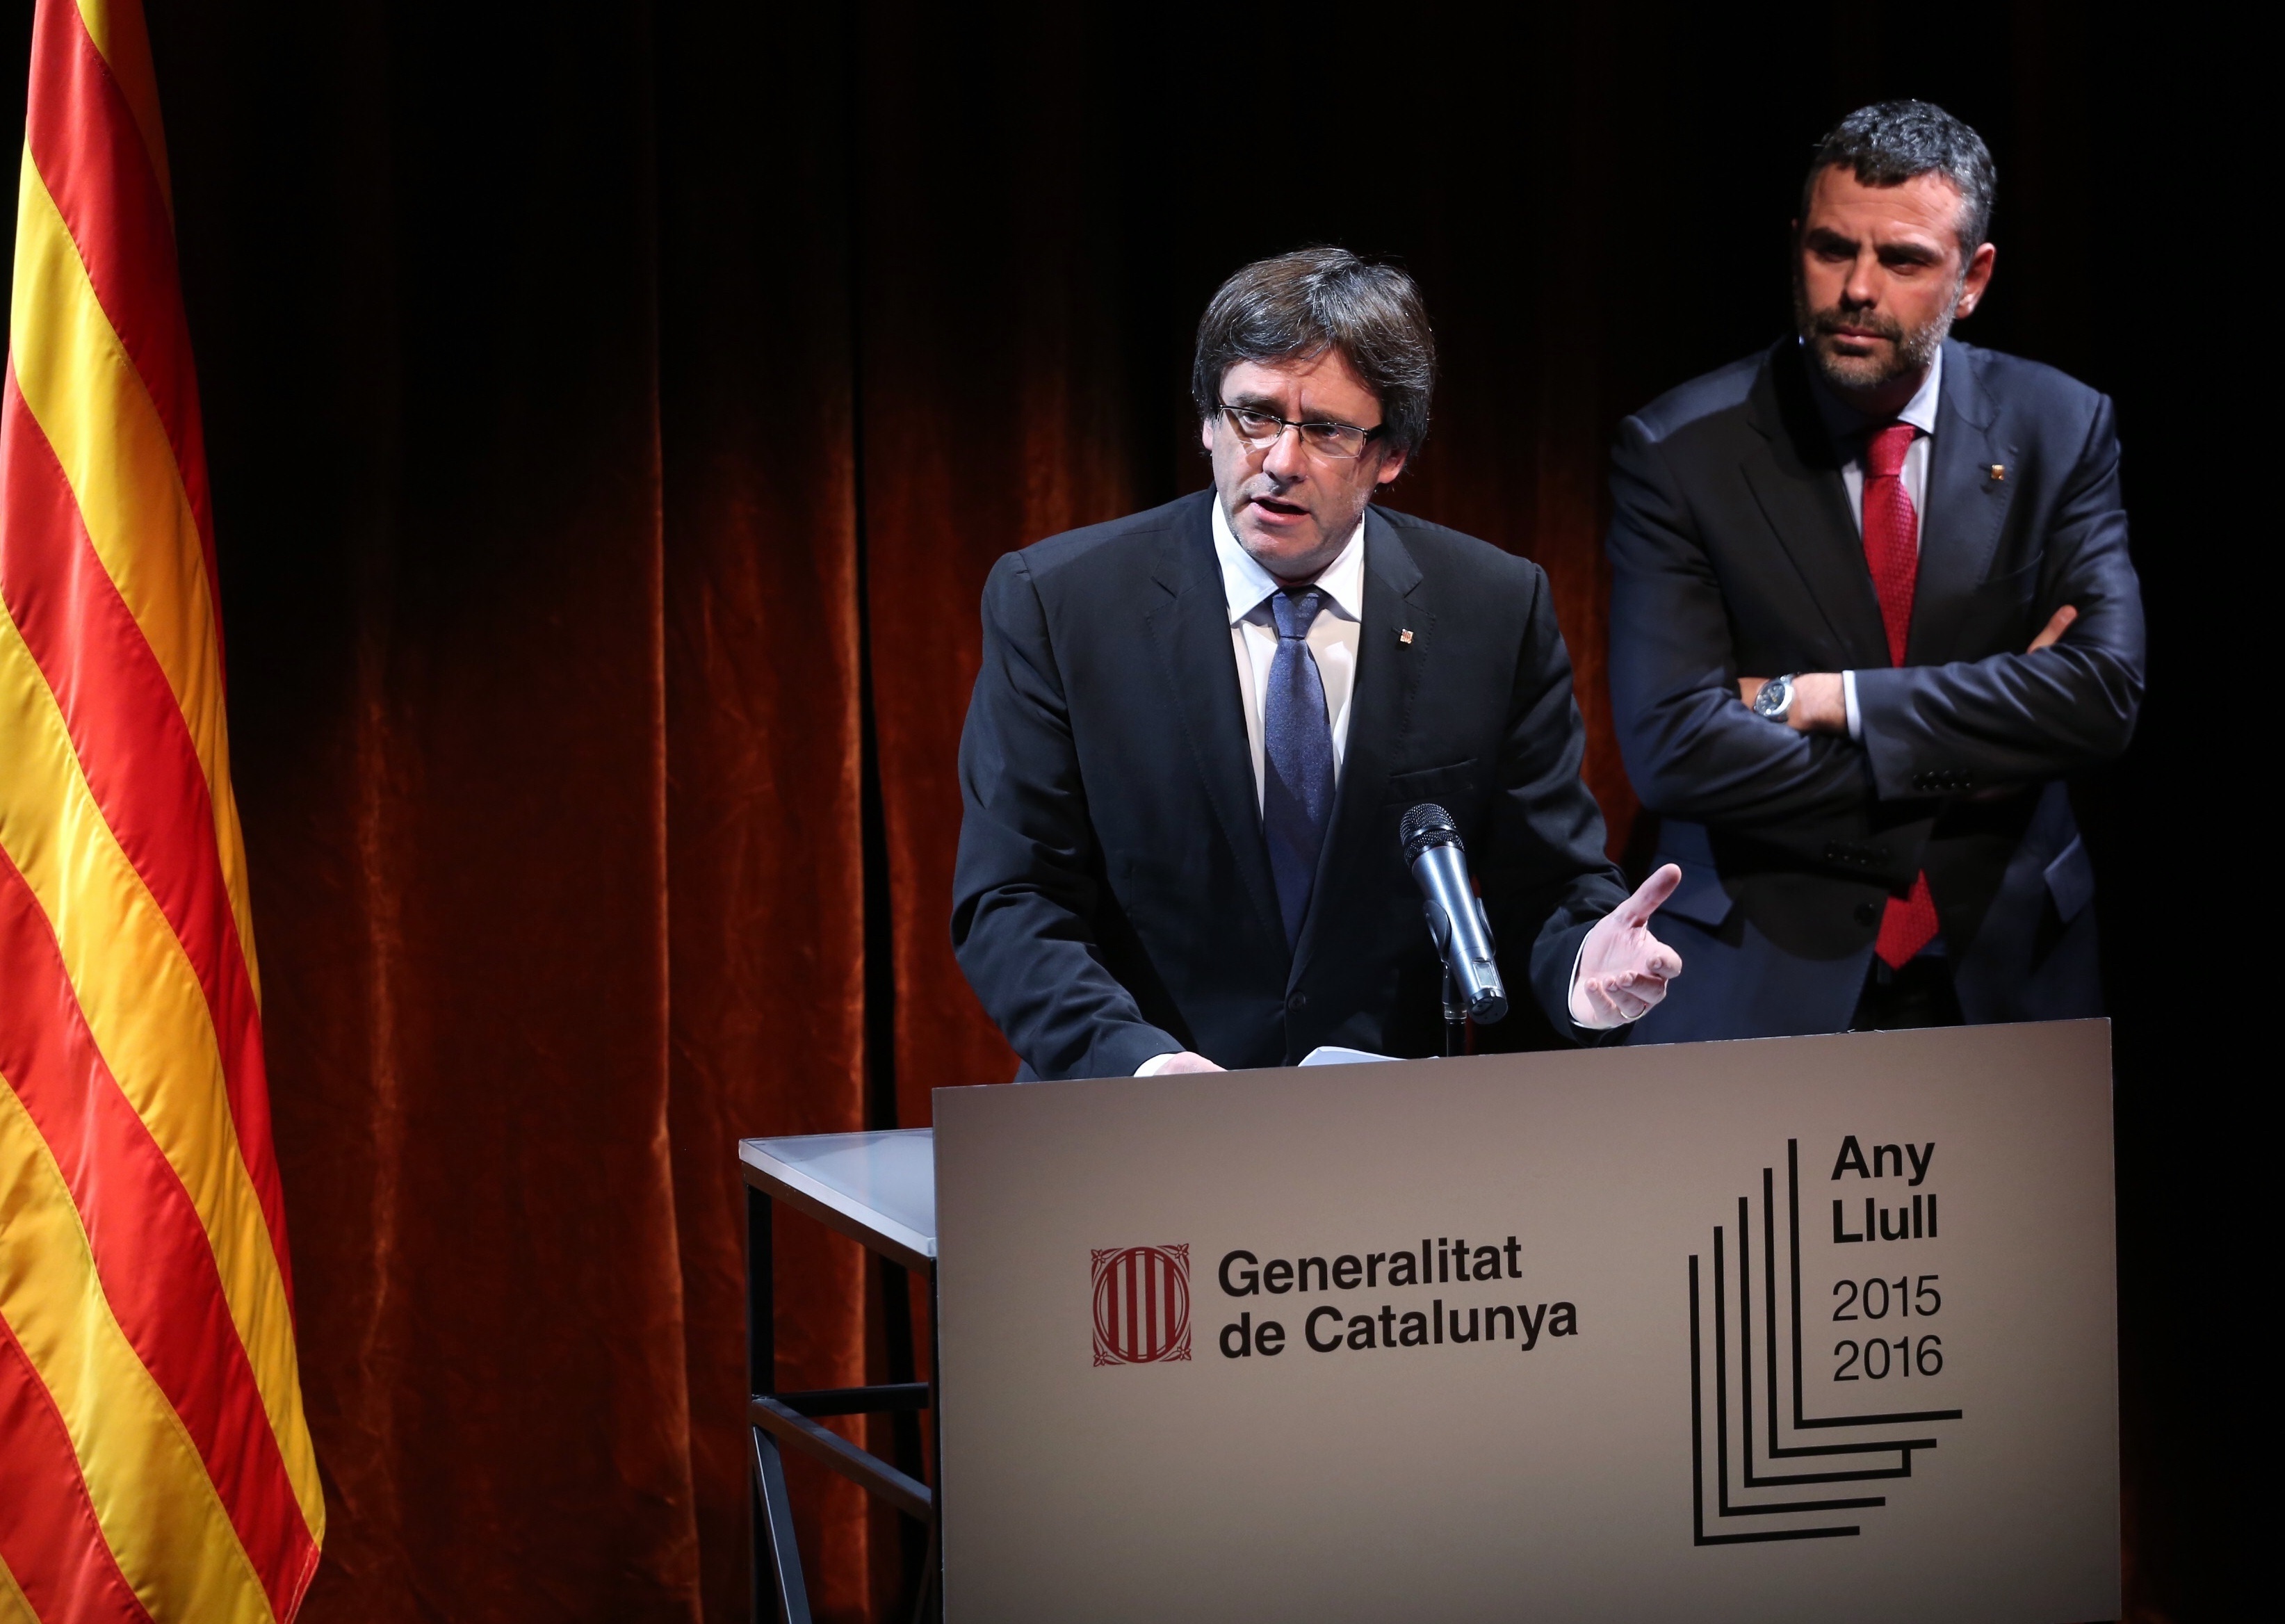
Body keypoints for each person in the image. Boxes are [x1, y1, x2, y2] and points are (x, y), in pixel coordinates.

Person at [952, 247, 1682, 1080]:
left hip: (1380, 1129)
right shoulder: (1061, 603)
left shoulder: (1489, 608)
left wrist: (1585, 968)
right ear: (1207, 421)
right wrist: (1143, 1069)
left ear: (1390, 454)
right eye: (1253, 416)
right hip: (1130, 1114)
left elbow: (1544, 883)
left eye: (1326, 430)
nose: (1279, 461)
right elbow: (1012, 900)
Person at [1604, 101, 2145, 1041]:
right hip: (1761, 967)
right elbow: (1674, 749)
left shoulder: (2060, 427)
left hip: (2010, 963)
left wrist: (1829, 700)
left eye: (1902, 260)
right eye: (1830, 250)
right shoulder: (1677, 449)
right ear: (1795, 247)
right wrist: (1979, 754)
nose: (1856, 289)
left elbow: (2098, 695)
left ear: (1971, 279)